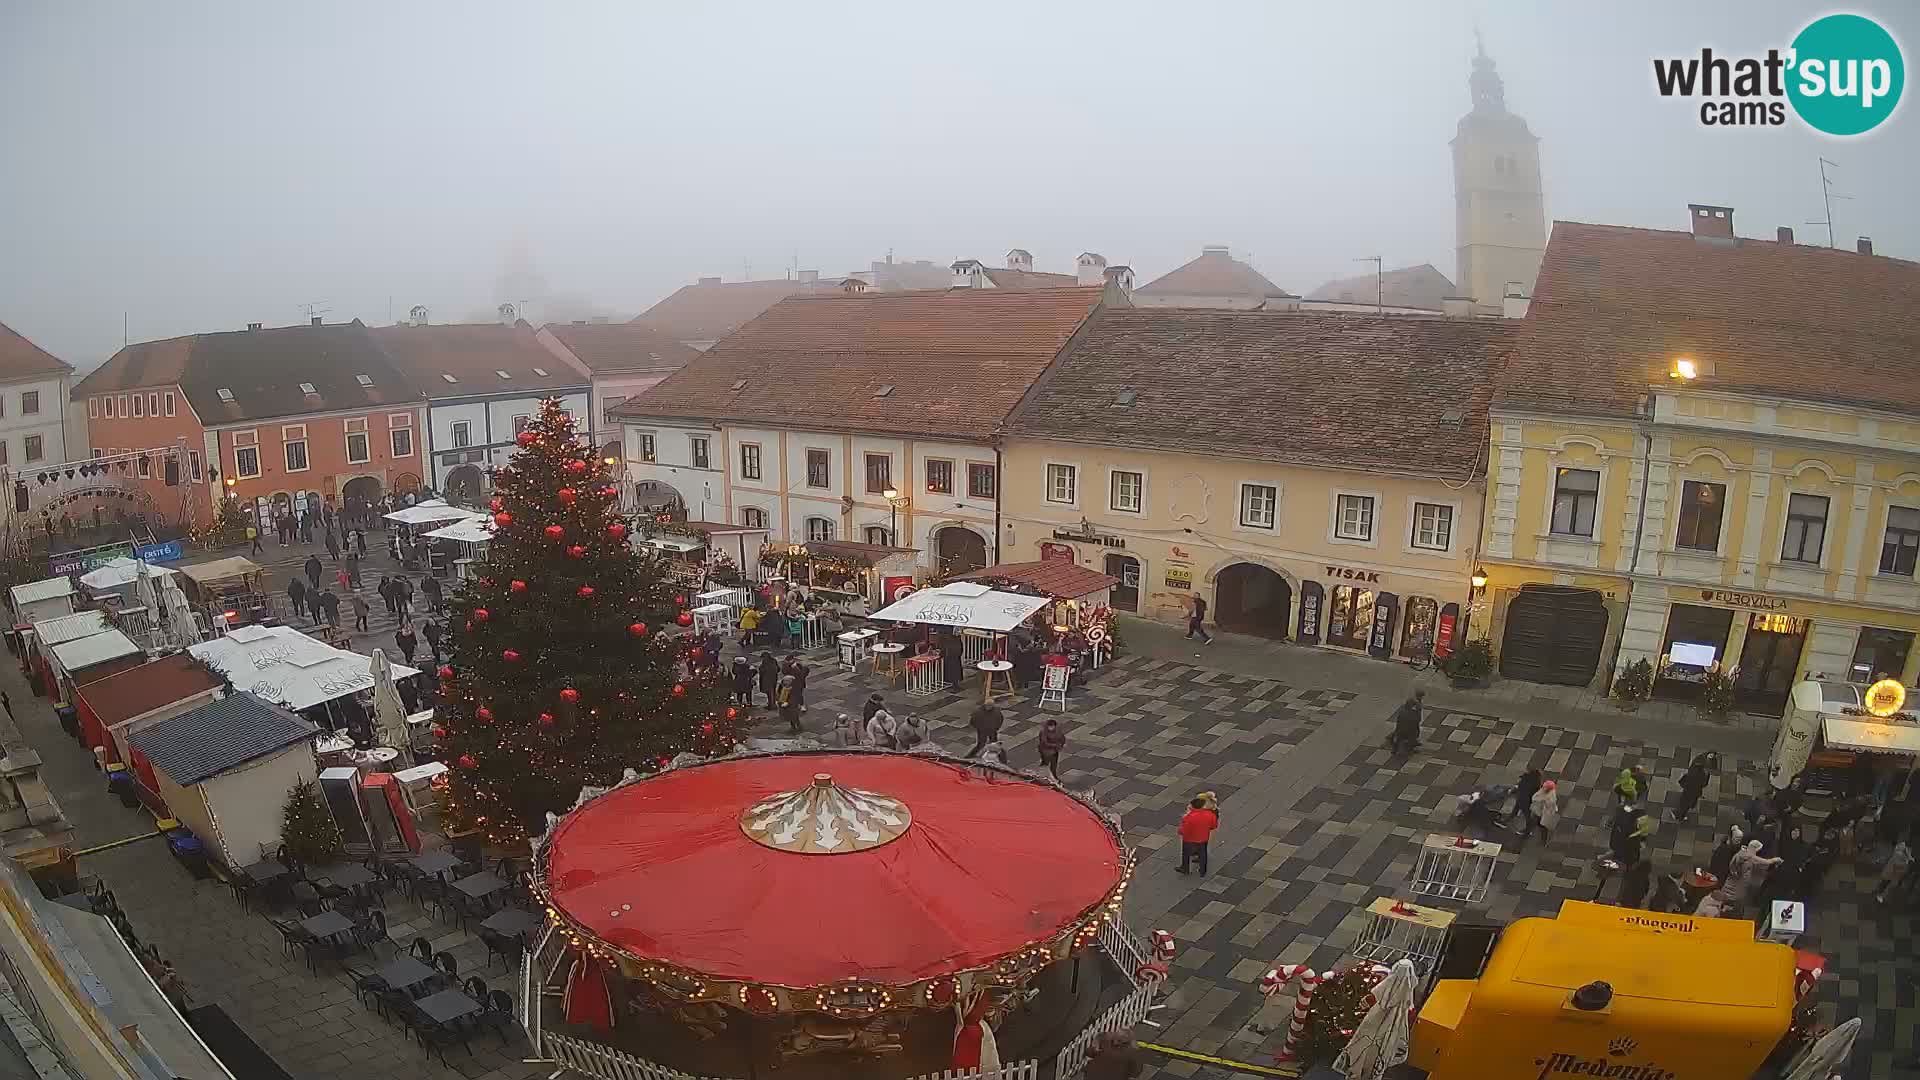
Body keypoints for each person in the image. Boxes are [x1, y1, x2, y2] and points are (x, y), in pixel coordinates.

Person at [1176, 796, 1219, 876]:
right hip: (1203, 838)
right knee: (1203, 852)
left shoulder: (1189, 817)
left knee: (1186, 853)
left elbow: (1183, 830)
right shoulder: (1210, 814)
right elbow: (1214, 825)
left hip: (1189, 839)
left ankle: (1185, 868)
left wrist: (1180, 832)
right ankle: (1203, 870)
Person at [1674, 753, 1716, 822]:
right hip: (1693, 790)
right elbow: (1704, 784)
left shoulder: (1694, 767)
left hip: (1688, 788)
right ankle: (1679, 815)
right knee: (1687, 803)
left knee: (1684, 801)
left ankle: (1679, 814)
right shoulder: (1701, 775)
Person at [1525, 780, 1560, 848]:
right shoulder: (1543, 792)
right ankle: (1529, 831)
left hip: (1543, 814)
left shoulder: (1550, 798)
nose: (1543, 788)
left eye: (1545, 787)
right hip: (1538, 811)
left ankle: (1544, 841)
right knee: (1534, 821)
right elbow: (1535, 798)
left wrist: (1542, 800)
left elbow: (1548, 807)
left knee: (1543, 827)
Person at [1389, 691, 1424, 755]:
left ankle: (1394, 749)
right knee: (1412, 735)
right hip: (1408, 729)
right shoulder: (1412, 713)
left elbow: (1399, 721)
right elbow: (1416, 721)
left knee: (1398, 737)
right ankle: (1410, 748)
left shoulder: (1403, 711)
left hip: (1400, 728)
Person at [1513, 767, 1543, 834]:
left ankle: (1528, 829)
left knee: (1526, 814)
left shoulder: (1526, 778)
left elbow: (1520, 786)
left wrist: (1515, 789)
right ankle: (1509, 818)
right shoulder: (1537, 782)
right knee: (1518, 809)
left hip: (1524, 799)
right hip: (1526, 799)